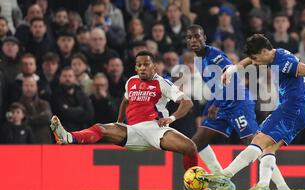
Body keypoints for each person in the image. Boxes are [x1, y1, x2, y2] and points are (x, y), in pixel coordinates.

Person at [206, 34, 305, 190]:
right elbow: (250, 60)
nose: (255, 63)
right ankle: (272, 186)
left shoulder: (286, 63)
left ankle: (224, 176)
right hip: (299, 111)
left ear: (264, 51)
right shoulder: (273, 54)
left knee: (258, 141)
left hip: (292, 109)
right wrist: (232, 69)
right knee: (268, 148)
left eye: (256, 58)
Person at [50, 51, 198, 171]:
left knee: (190, 147)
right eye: (139, 65)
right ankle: (68, 137)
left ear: (154, 67)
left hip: (156, 129)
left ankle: (192, 185)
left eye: (146, 64)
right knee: (100, 128)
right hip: (133, 130)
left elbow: (187, 102)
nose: (142, 68)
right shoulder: (131, 81)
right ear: (135, 68)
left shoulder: (162, 83)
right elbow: (125, 101)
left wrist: (171, 118)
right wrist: (119, 122)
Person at [185, 25, 289, 190]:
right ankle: (223, 183)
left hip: (238, 102)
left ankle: (281, 186)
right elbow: (216, 86)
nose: (193, 41)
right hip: (222, 104)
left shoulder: (216, 56)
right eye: (190, 37)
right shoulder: (198, 60)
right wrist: (213, 104)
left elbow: (232, 77)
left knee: (255, 143)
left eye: (197, 37)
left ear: (204, 37)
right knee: (197, 141)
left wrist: (216, 104)